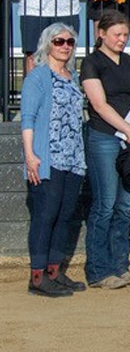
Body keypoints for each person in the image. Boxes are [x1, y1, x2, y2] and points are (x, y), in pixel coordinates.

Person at [80, 10, 130, 290]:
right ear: (101, 33)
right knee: (105, 204)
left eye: (125, 35)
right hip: (105, 137)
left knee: (124, 206)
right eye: (117, 35)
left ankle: (120, 266)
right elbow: (99, 104)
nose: (122, 40)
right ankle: (99, 270)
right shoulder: (92, 63)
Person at [22, 24, 88, 297]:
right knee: (45, 216)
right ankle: (37, 277)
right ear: (47, 44)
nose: (65, 46)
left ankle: (54, 271)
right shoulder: (38, 77)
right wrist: (30, 155)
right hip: (47, 157)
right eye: (59, 41)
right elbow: (28, 118)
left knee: (64, 217)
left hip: (72, 158)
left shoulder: (72, 77)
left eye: (70, 42)